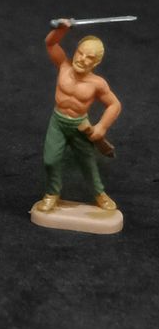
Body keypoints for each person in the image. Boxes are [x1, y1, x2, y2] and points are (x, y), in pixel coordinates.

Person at [37, 21, 121, 211]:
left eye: (89, 57)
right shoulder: (63, 66)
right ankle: (52, 194)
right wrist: (62, 28)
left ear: (96, 63)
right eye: (80, 53)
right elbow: (50, 43)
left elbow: (114, 104)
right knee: (50, 160)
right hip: (58, 122)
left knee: (87, 163)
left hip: (80, 126)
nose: (82, 59)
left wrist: (102, 127)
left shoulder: (97, 83)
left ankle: (100, 194)